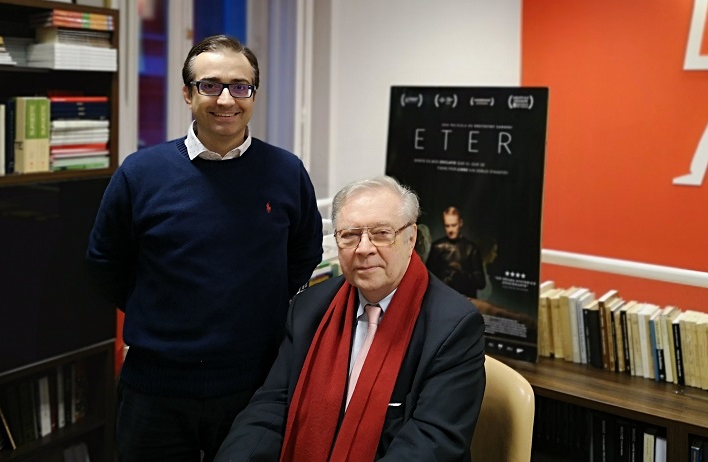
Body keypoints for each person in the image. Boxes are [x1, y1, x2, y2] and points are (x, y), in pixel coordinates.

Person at [85, 35, 323, 462]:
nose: (226, 99)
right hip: (155, 388)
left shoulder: (286, 171)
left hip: (254, 386)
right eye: (210, 85)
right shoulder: (141, 173)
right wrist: (159, 312)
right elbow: (105, 262)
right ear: (187, 93)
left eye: (240, 86)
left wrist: (256, 305)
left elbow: (304, 253)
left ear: (253, 94)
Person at [215, 175, 485, 462]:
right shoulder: (310, 308)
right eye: (350, 235)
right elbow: (272, 406)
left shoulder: (455, 327)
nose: (364, 248)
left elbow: (431, 443)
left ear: (411, 238)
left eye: (382, 233)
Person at [425, 206, 486, 298]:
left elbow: (481, 283)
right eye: (447, 226)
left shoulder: (471, 249)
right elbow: (427, 278)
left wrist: (460, 271)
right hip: (442, 297)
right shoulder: (437, 247)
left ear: (460, 223)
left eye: (454, 225)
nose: (450, 230)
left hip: (465, 300)